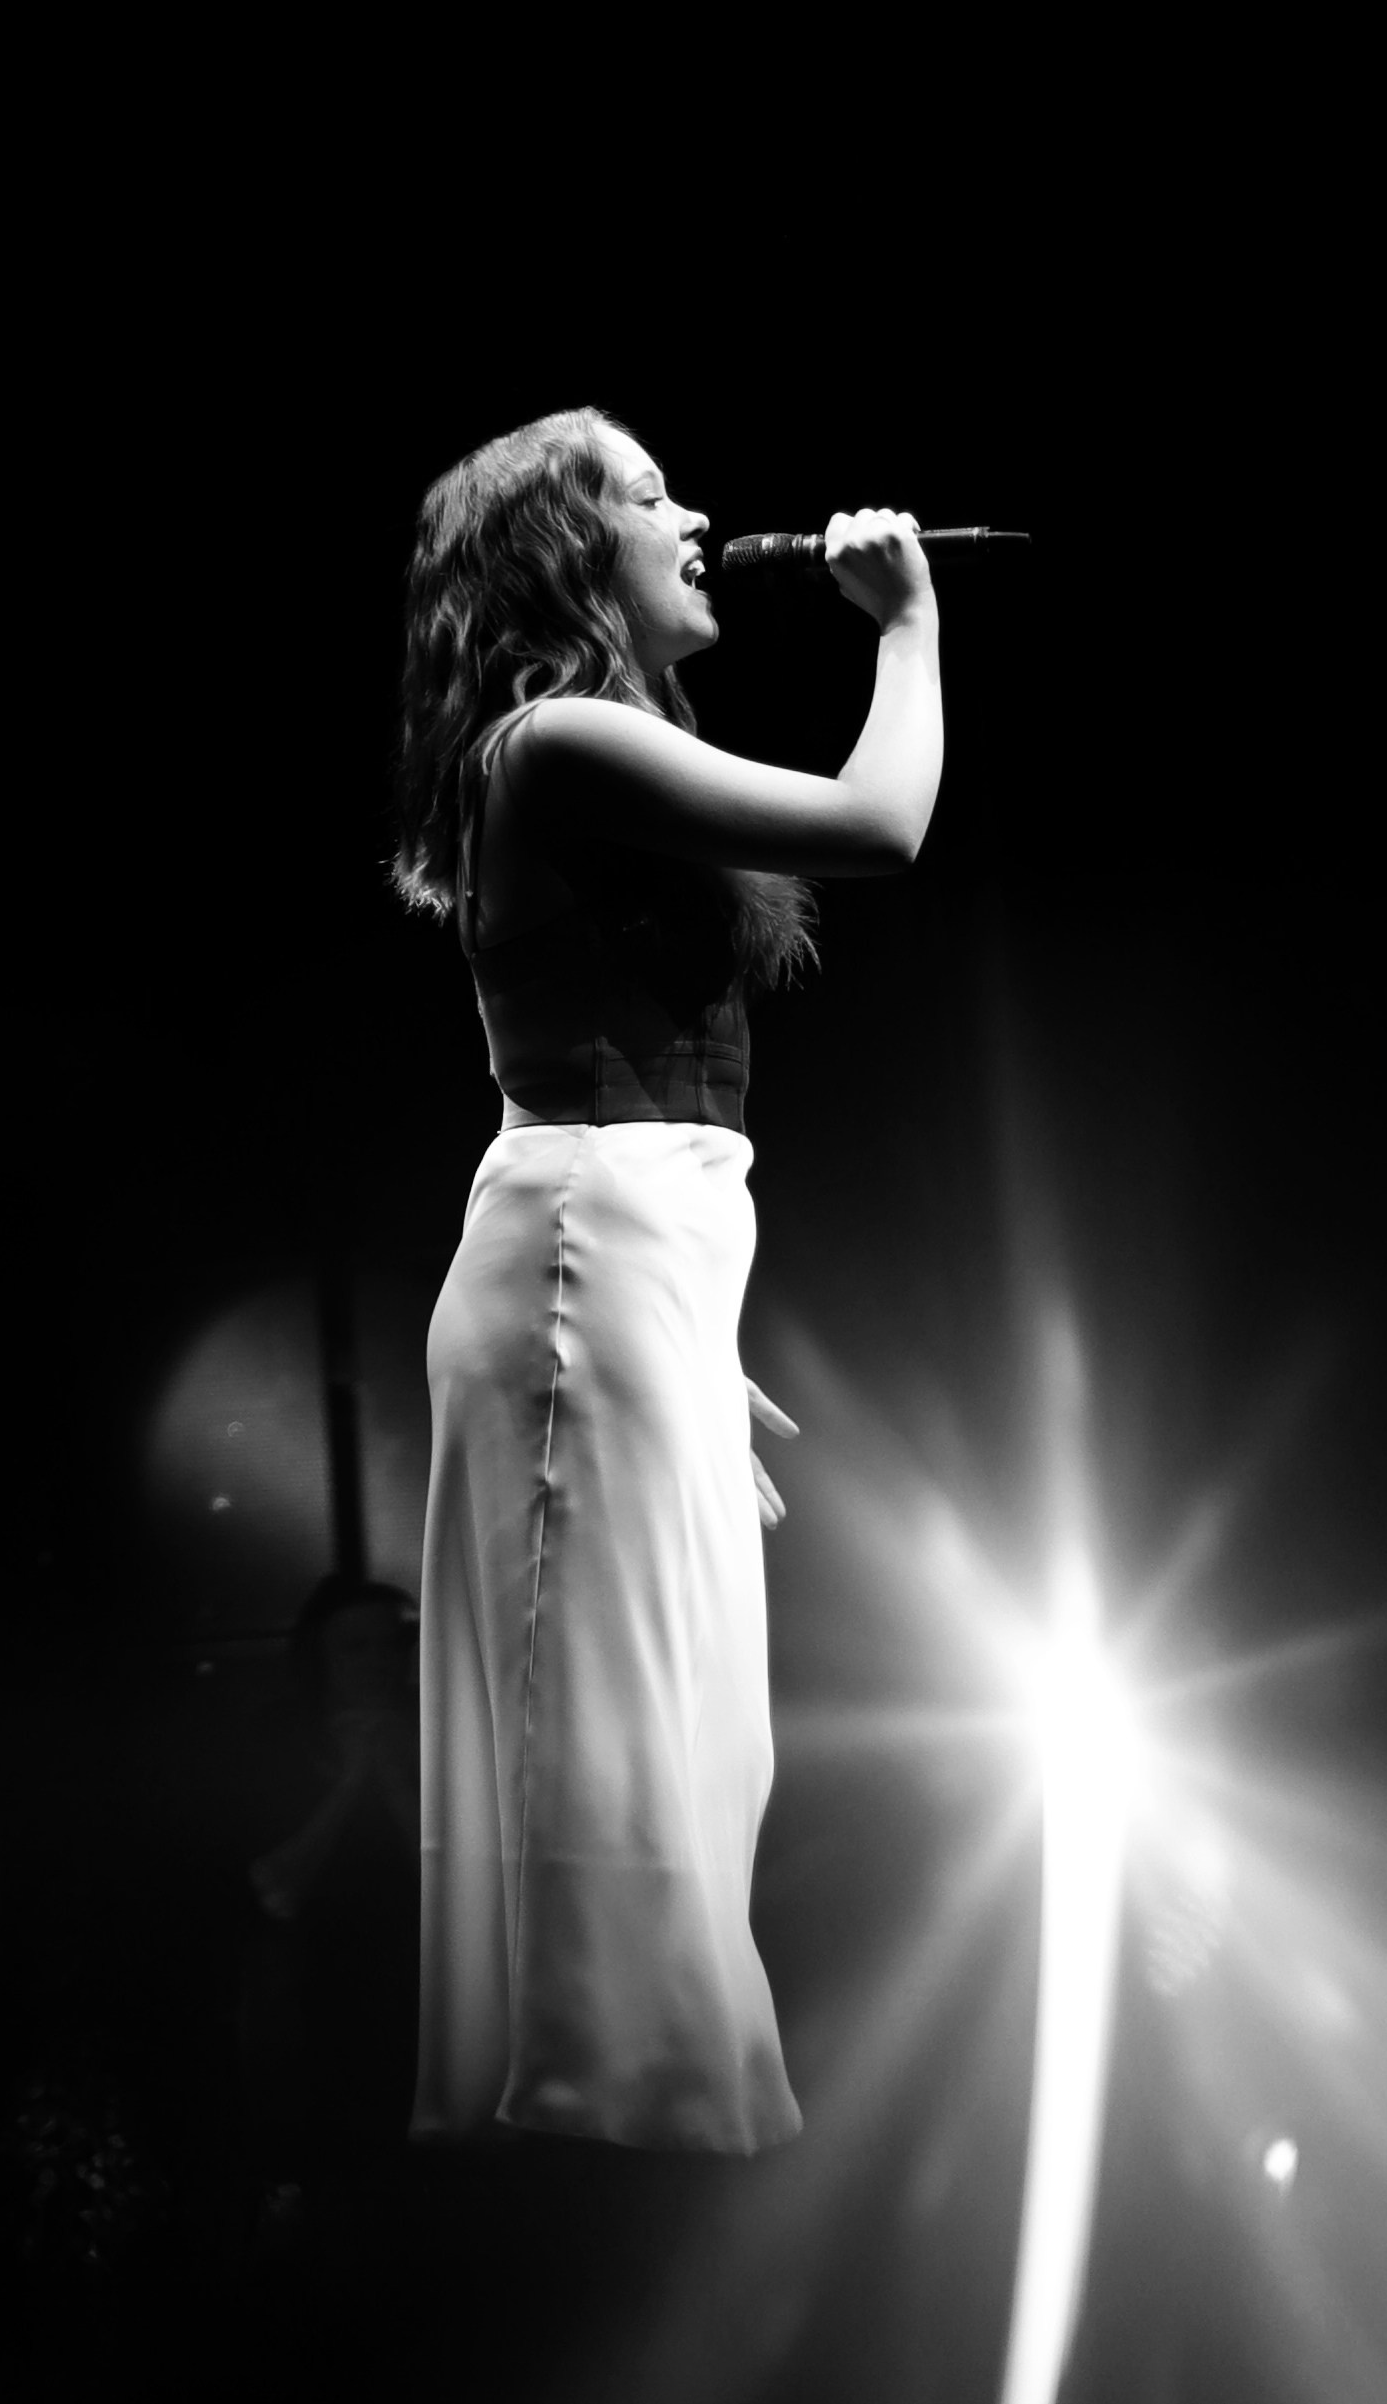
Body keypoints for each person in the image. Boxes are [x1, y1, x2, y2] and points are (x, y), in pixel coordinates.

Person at [392, 406, 943, 2157]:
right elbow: (881, 822)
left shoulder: (588, 748)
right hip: (585, 1264)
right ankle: (606, 2148)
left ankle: (631, 2133)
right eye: (648, 494)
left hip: (630, 1275)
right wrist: (909, 625)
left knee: (684, 1762)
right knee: (610, 1760)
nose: (695, 514)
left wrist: (691, 1339)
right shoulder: (553, 740)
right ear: (566, 553)